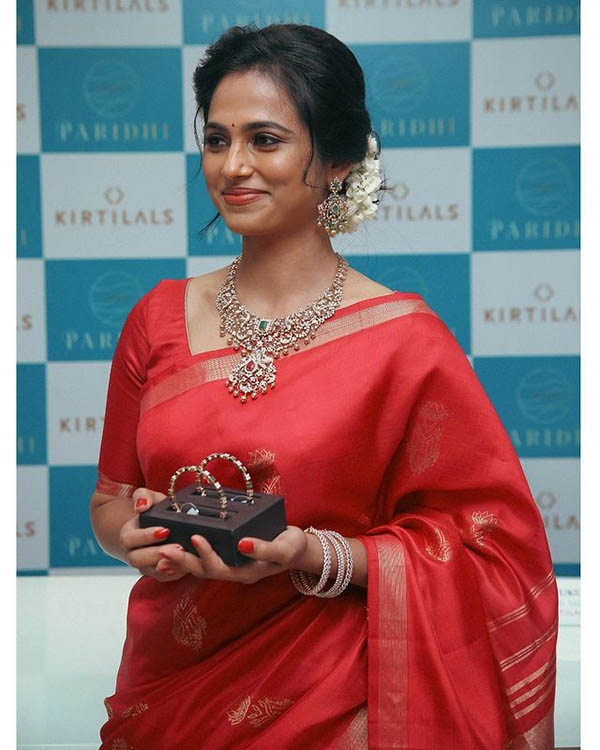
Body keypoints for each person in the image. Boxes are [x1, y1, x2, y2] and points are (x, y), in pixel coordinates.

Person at [90, 23, 558, 750]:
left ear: (337, 159)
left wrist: (313, 554)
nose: (233, 166)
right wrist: (135, 536)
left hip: (336, 693)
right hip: (171, 685)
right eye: (216, 139)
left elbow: (491, 546)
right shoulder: (155, 318)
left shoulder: (404, 341)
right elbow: (111, 499)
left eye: (265, 140)